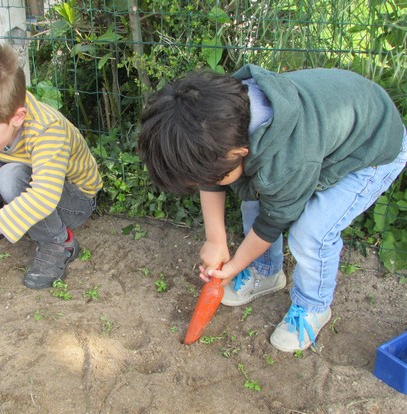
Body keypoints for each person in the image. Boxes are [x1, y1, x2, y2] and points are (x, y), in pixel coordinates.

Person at [137, 65, 406, 352]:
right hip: (330, 132)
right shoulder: (216, 121)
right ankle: (267, 272)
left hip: (373, 149)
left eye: (212, 177)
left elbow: (275, 218)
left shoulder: (287, 160)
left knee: (311, 232)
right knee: (255, 196)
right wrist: (215, 239)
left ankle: (313, 306)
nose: (208, 182)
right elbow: (211, 174)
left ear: (239, 153)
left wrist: (234, 265)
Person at [0, 44, 102, 290]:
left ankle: (58, 242)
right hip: (29, 183)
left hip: (73, 200)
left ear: (17, 118)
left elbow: (44, 196)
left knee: (10, 176)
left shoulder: (47, 129)